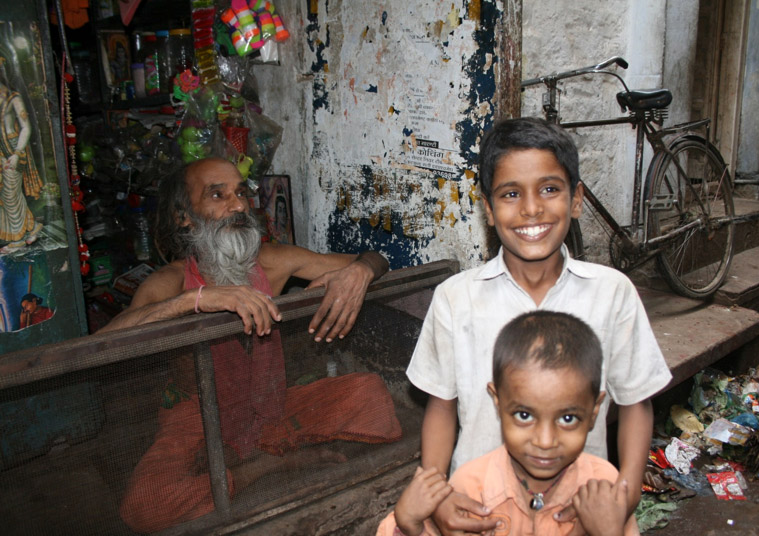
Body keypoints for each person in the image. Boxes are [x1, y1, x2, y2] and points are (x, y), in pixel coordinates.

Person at [103, 157, 401, 532]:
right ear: (184, 216)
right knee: (146, 506)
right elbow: (101, 344)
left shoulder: (273, 262)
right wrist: (194, 300)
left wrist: (361, 271)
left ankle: (249, 457)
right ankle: (267, 465)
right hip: (198, 418)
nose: (239, 205)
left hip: (269, 406)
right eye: (218, 194)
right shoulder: (169, 283)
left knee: (369, 394)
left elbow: (376, 260)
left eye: (241, 192)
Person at [407, 117, 671, 534]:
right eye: (511, 194)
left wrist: (626, 493)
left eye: (549, 189)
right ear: (489, 210)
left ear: (577, 198)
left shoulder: (612, 293)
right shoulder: (456, 299)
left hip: (578, 515)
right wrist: (437, 495)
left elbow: (636, 401)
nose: (532, 208)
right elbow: (440, 405)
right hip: (479, 512)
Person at [378, 312, 639, 536]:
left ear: (594, 412)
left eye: (567, 418)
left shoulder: (604, 488)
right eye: (524, 415)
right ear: (498, 402)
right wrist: (409, 525)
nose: (545, 441)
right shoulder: (472, 486)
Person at [0, 77, 44, 252]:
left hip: (13, 149)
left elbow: (26, 127)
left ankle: (17, 240)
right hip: (0, 152)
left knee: (11, 195)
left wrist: (17, 154)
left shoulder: (13, 98)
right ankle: (33, 227)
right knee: (6, 196)